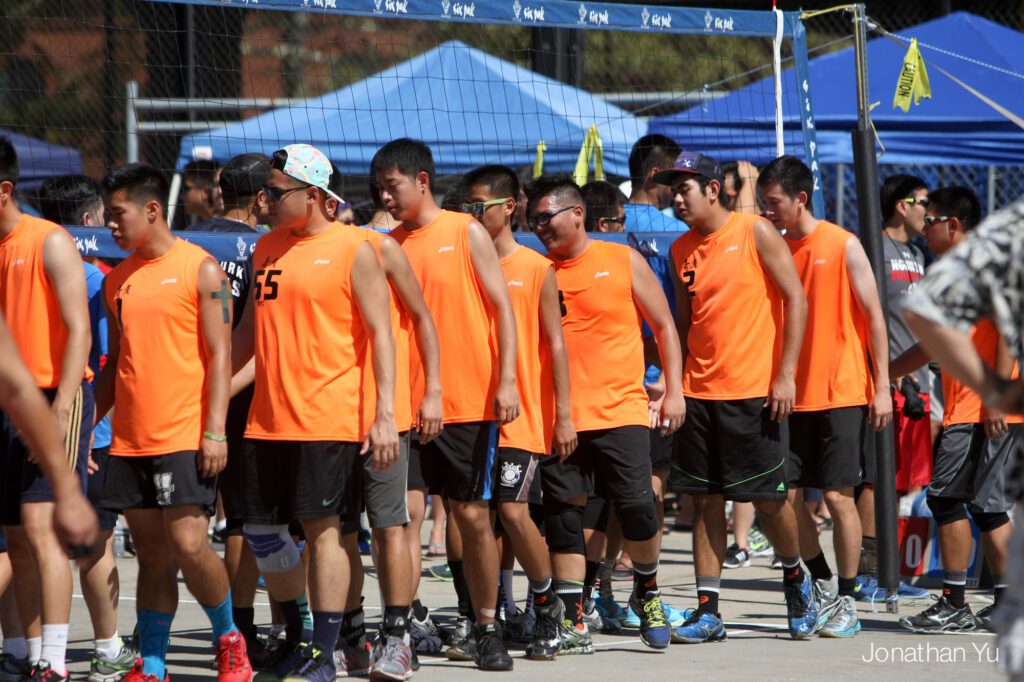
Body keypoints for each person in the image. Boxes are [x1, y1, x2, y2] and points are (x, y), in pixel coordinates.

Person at [230, 144, 399, 681]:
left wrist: (385, 414)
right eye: (264, 190)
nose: (265, 200)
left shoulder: (356, 249)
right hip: (266, 418)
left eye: (276, 192)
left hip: (329, 416)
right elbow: (247, 338)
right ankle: (302, 633)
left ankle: (325, 654)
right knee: (260, 531)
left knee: (325, 532)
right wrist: (208, 401)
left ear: (318, 197)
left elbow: (383, 336)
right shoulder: (265, 250)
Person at [95, 163, 252, 682]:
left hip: (186, 436)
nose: (110, 225)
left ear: (152, 210)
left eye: (118, 215)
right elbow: (113, 367)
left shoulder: (202, 270)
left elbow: (221, 356)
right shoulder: (117, 279)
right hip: (131, 440)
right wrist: (76, 432)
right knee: (154, 554)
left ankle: (230, 641)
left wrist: (214, 431)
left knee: (189, 545)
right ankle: (154, 663)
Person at [374, 138, 520, 672]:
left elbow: (504, 310)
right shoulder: (385, 245)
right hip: (404, 409)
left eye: (393, 187)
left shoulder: (465, 231)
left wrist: (506, 381)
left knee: (472, 516)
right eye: (381, 190)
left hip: (466, 403)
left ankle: (486, 625)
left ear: (421, 181)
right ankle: (401, 629)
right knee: (406, 517)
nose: (386, 198)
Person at [659, 151, 814, 642]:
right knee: (705, 503)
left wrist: (785, 375)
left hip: (754, 395)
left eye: (684, 188)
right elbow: (684, 323)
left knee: (769, 502)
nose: (676, 197)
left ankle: (796, 580)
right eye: (672, 189)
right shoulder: (680, 248)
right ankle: (709, 610)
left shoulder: (755, 232)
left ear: (713, 189)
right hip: (699, 395)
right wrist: (674, 384)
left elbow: (797, 300)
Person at [526, 173, 685, 653]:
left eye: (546, 217)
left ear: (577, 214)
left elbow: (665, 327)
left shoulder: (622, 258)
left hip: (622, 411)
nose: (539, 227)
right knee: (566, 518)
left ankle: (648, 591)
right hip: (562, 419)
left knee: (637, 507)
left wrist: (674, 390)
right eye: (532, 220)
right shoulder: (538, 272)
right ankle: (575, 617)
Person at [757, 155, 893, 638]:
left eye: (773, 203)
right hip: (788, 394)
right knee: (784, 498)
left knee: (838, 496)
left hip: (841, 391)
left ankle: (849, 598)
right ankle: (820, 583)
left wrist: (881, 387)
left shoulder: (843, 244)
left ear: (801, 199)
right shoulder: (768, 248)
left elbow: (875, 317)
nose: (767, 211)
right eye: (762, 203)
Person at [897, 197, 1024, 673]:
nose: (923, 230)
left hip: (981, 409)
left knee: (948, 500)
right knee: (987, 508)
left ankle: (954, 602)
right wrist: (887, 370)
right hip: (973, 408)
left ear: (953, 225)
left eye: (929, 222)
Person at [331, 167, 444, 680]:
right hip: (323, 420)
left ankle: (396, 636)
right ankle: (351, 634)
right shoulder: (287, 252)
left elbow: (421, 318)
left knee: (389, 526)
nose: (380, 197)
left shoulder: (378, 249)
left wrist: (430, 392)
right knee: (333, 533)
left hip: (384, 416)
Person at [463, 165, 576, 659]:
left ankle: (549, 604)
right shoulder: (463, 262)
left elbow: (556, 345)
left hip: (520, 417)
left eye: (479, 206)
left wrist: (565, 415)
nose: (471, 215)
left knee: (513, 511)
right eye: (466, 207)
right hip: (470, 413)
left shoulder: (536, 268)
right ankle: (488, 619)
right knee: (477, 520)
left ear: (509, 207)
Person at [0, 136, 95, 682]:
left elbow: (79, 330)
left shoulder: (50, 241)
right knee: (13, 535)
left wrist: (61, 407)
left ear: (5, 190)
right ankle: (22, 649)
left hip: (47, 398)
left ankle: (54, 662)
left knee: (41, 530)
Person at [38, 174, 138, 680]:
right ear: (87, 222)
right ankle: (106, 649)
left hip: (33, 424)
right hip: (84, 430)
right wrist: (89, 433)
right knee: (92, 545)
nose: (109, 224)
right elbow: (105, 361)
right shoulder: (95, 278)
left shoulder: (25, 264)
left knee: (30, 542)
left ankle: (29, 647)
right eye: (105, 216)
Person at [186, 153, 272, 664]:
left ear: (221, 190)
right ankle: (241, 628)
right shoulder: (270, 248)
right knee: (245, 519)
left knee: (184, 523)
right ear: (263, 197)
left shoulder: (188, 242)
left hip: (189, 392)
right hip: (243, 395)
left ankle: (151, 641)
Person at [624, 134, 688, 232]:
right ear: (655, 175)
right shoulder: (676, 229)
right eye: (674, 176)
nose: (676, 184)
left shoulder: (608, 222)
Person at [180, 160, 221, 226]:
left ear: (205, 192)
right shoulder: (200, 223)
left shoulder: (229, 227)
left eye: (185, 188)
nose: (181, 196)